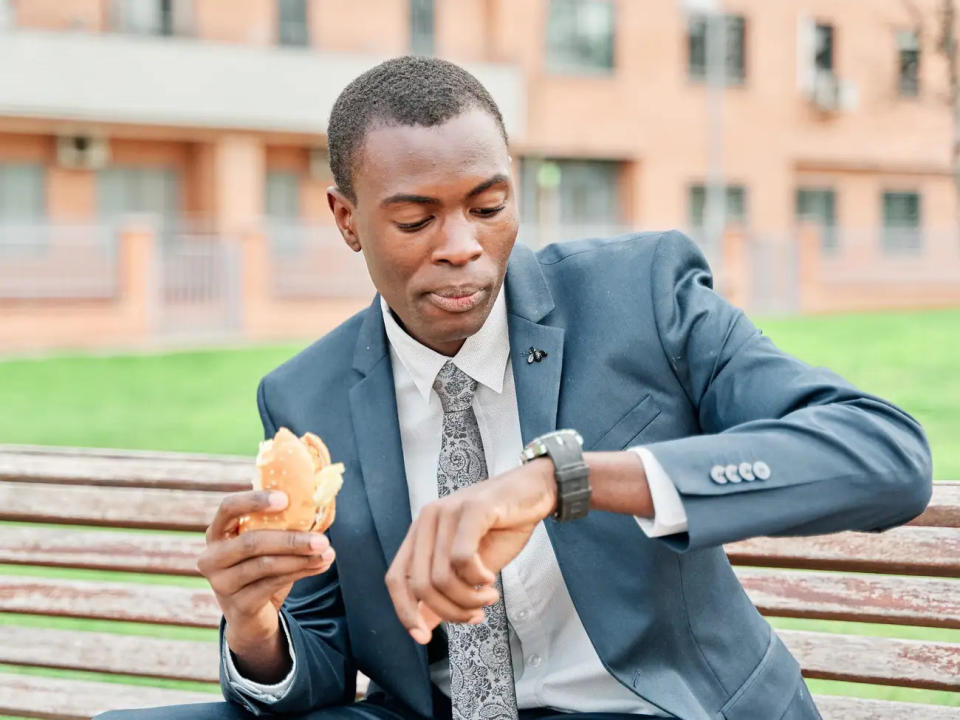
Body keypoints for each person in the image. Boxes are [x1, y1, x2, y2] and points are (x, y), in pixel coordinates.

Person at [96, 56, 932, 720]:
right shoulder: (304, 397)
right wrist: (255, 627)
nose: (462, 245)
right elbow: (318, 666)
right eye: (416, 220)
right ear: (346, 219)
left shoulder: (639, 298)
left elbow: (883, 455)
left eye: (488, 205)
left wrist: (562, 481)